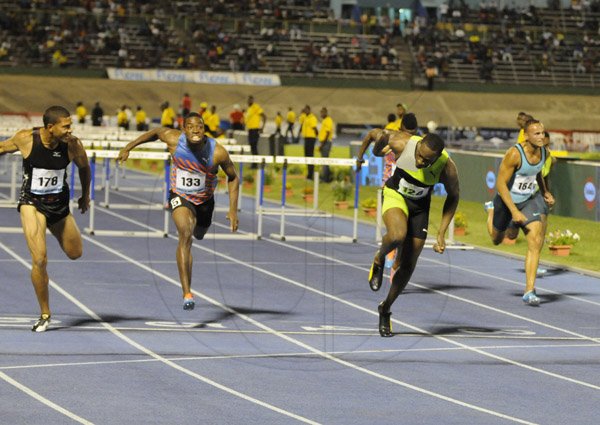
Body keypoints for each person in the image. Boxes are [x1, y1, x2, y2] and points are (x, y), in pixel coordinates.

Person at [117, 113, 239, 310]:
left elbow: (233, 177)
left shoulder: (217, 152)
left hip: (205, 201)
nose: (195, 130)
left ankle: (199, 228)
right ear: (184, 129)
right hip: (180, 195)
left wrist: (233, 210)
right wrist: (128, 147)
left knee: (199, 233)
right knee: (185, 234)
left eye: (199, 126)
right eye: (190, 126)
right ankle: (187, 293)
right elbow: (156, 132)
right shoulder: (174, 140)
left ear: (204, 129)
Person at [357, 128, 459, 337]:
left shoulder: (446, 167)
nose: (419, 161)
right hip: (396, 194)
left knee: (409, 264)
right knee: (397, 236)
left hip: (420, 207)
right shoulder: (401, 142)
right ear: (418, 144)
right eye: (418, 155)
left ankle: (385, 309)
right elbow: (373, 134)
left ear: (437, 158)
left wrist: (440, 233)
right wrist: (365, 155)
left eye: (425, 160)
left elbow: (454, 197)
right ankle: (378, 259)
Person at [0, 106, 91, 332]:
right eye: (66, 126)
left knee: (75, 252)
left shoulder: (72, 145)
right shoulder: (26, 139)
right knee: (40, 259)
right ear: (50, 127)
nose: (71, 130)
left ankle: (55, 226)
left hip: (59, 206)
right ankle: (45, 313)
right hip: (32, 204)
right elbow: (2, 147)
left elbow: (84, 167)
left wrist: (85, 195)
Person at [484, 120, 554, 306]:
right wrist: (513, 211)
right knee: (498, 239)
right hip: (506, 202)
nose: (541, 137)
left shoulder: (545, 152)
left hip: (528, 201)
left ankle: (529, 291)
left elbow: (537, 173)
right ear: (526, 136)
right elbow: (500, 184)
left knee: (535, 240)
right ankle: (490, 211)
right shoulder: (514, 154)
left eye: (542, 133)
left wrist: (545, 191)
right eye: (537, 134)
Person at [245, 95, 266, 165]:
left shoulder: (255, 107)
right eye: (248, 100)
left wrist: (262, 127)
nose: (249, 101)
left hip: (255, 130)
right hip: (250, 130)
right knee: (252, 146)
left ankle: (255, 164)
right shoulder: (249, 108)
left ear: (252, 100)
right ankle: (254, 163)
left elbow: (264, 116)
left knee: (254, 146)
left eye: (250, 100)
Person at [301, 105, 318, 179]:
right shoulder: (305, 117)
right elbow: (300, 121)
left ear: (309, 109)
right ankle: (309, 173)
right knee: (306, 155)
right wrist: (302, 113)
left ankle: (311, 174)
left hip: (311, 138)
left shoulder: (312, 118)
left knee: (310, 156)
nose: (305, 111)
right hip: (306, 138)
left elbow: (314, 128)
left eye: (306, 109)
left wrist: (317, 136)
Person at [317, 107, 334, 183]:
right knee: (325, 160)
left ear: (326, 113)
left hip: (326, 143)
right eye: (320, 112)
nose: (321, 114)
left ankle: (325, 179)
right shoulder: (325, 120)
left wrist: (322, 145)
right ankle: (328, 177)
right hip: (324, 142)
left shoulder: (328, 120)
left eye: (322, 112)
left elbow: (327, 133)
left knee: (325, 161)